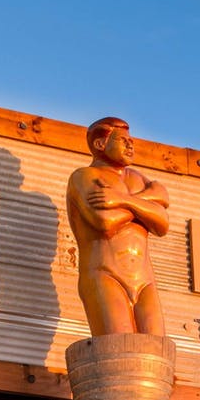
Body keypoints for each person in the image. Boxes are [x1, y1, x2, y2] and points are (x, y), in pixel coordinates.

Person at [65, 116, 171, 338]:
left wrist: (123, 200)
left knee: (155, 352)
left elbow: (162, 223)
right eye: (123, 140)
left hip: (144, 279)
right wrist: (147, 202)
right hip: (105, 274)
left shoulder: (138, 178)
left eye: (131, 140)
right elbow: (105, 222)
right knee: (119, 349)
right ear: (100, 144)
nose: (130, 145)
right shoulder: (85, 176)